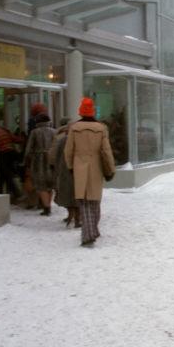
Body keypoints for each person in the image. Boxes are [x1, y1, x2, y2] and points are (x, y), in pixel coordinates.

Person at [65, 97, 115, 247]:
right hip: (96, 167)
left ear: (80, 112)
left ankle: (88, 234)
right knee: (95, 200)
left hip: (79, 166)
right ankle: (93, 230)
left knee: (84, 201)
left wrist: (70, 166)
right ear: (93, 111)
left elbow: (68, 151)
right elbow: (106, 151)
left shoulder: (74, 128)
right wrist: (110, 169)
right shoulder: (101, 128)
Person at [48, 117, 78, 228]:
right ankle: (78, 216)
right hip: (79, 169)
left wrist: (54, 166)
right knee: (78, 192)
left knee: (66, 192)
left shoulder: (61, 138)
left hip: (64, 169)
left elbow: (53, 155)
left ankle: (71, 214)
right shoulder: (80, 138)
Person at [24, 111, 56, 216]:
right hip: (51, 160)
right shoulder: (54, 131)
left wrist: (26, 161)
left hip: (38, 161)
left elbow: (29, 149)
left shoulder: (34, 132)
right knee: (50, 184)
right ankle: (48, 205)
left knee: (41, 185)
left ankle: (46, 207)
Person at [0, 121, 23, 202]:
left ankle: (14, 193)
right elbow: (16, 139)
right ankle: (12, 194)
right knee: (5, 175)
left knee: (4, 175)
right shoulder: (4, 130)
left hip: (2, 155)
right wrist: (22, 139)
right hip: (10, 154)